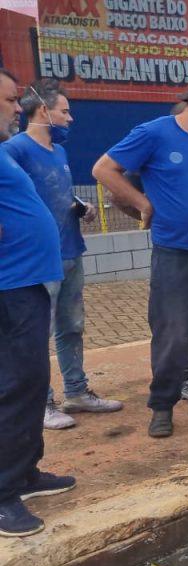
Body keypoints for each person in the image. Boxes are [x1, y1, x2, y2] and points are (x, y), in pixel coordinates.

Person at [92, 74, 188, 438]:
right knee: (171, 336)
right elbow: (103, 169)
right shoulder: (154, 133)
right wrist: (142, 203)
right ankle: (162, 405)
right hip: (173, 254)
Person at [4, 79, 123, 430]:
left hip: (70, 249)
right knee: (35, 334)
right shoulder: (15, 149)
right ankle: (41, 403)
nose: (70, 119)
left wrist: (79, 205)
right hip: (38, 261)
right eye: (65, 111)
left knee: (72, 325)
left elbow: (54, 192)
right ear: (44, 111)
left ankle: (76, 391)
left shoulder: (58, 151)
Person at [0, 67, 77, 538]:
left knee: (30, 381)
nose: (17, 108)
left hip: (25, 283)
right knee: (13, 385)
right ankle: (3, 492)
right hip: (8, 287)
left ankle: (25, 472)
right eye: (10, 100)